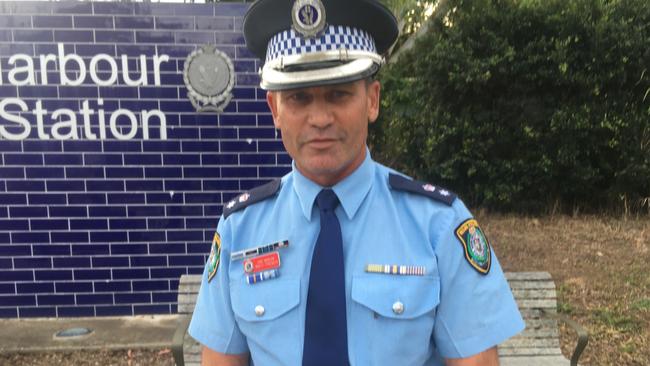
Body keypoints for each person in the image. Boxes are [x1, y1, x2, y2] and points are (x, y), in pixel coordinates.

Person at [189, 0, 525, 365]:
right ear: (275, 109)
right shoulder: (241, 230)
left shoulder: (439, 226)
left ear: (372, 100)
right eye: (299, 97)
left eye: (338, 93)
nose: (319, 118)